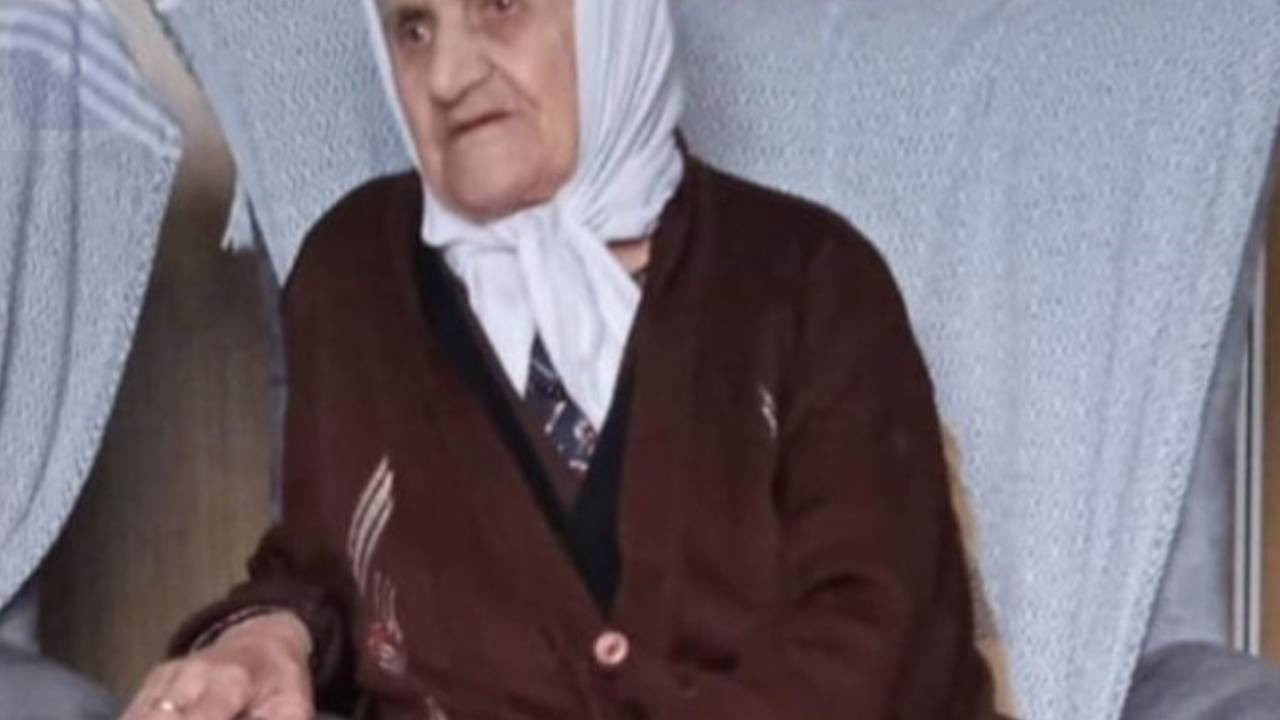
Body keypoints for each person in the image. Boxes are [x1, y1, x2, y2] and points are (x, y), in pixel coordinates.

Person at [122, 0, 999, 717]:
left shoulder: (809, 278)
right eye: (413, 27)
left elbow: (877, 645)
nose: (448, 76)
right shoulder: (352, 274)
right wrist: (269, 638)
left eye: (499, 6)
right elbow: (327, 566)